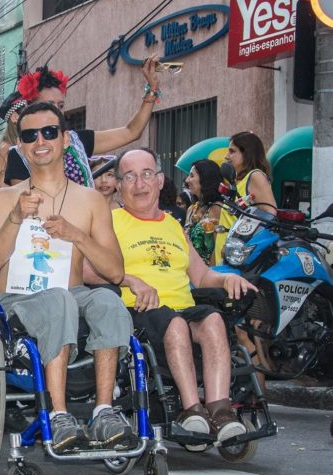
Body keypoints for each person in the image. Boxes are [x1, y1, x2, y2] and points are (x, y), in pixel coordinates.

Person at [0, 102, 134, 450]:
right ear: (20, 145)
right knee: (58, 299)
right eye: (30, 135)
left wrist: (77, 235)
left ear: (65, 139)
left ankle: (103, 410)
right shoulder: (3, 198)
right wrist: (15, 218)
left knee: (108, 301)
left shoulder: (92, 200)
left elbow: (114, 271)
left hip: (72, 292)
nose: (40, 140)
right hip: (18, 299)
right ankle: (58, 414)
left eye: (49, 132)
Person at [89, 148, 256, 444]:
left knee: (214, 319)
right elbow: (86, 271)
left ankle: (220, 410)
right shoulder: (110, 221)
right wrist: (129, 280)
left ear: (160, 180)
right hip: (138, 311)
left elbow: (202, 276)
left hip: (181, 307)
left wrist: (228, 276)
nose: (140, 184)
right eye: (130, 177)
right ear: (119, 184)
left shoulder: (173, 225)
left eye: (147, 175)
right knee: (175, 324)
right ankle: (192, 411)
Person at [0, 57, 161, 186]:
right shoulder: (19, 154)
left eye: (60, 105)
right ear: (31, 108)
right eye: (49, 105)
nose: (56, 111)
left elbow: (131, 132)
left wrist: (152, 89)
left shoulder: (77, 141)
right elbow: (25, 211)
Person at [216, 131, 277, 261]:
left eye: (232, 151)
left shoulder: (255, 176)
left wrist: (237, 239)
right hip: (227, 256)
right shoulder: (238, 181)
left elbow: (270, 215)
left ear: (247, 153)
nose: (227, 157)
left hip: (238, 256)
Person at [184, 160, 223, 265]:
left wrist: (211, 276)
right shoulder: (191, 209)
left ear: (205, 179)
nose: (187, 180)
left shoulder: (217, 208)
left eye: (192, 176)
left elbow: (217, 248)